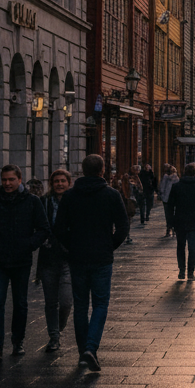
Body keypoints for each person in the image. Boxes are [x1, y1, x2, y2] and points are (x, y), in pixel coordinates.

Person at [54, 154, 130, 372]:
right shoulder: (111, 195)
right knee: (100, 304)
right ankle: (90, 348)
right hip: (101, 258)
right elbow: (123, 227)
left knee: (80, 305)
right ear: (102, 170)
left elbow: (59, 229)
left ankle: (82, 353)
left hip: (77, 257)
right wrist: (109, 245)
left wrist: (72, 245)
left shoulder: (70, 196)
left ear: (83, 170)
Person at [0, 164, 49, 361]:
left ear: (19, 180)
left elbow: (43, 229)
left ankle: (18, 341)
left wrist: (28, 245)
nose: (7, 183)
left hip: (21, 261)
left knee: (20, 303)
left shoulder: (32, 202)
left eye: (11, 180)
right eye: (4, 179)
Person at [38, 169, 73, 352]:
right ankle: (54, 337)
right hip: (48, 258)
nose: (59, 184)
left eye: (63, 181)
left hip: (68, 257)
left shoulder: (75, 201)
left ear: (69, 183)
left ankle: (58, 327)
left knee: (66, 301)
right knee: (51, 301)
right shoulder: (43, 202)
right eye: (56, 181)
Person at [168, 162, 195, 280]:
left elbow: (171, 205)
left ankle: (181, 271)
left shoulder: (176, 186)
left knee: (180, 246)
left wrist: (170, 221)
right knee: (192, 247)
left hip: (179, 220)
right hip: (194, 221)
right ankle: (190, 273)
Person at [159, 165, 178, 237]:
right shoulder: (176, 178)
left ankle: (168, 229)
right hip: (174, 199)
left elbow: (162, 188)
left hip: (166, 199)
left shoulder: (165, 177)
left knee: (168, 214)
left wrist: (161, 194)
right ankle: (174, 229)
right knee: (174, 213)